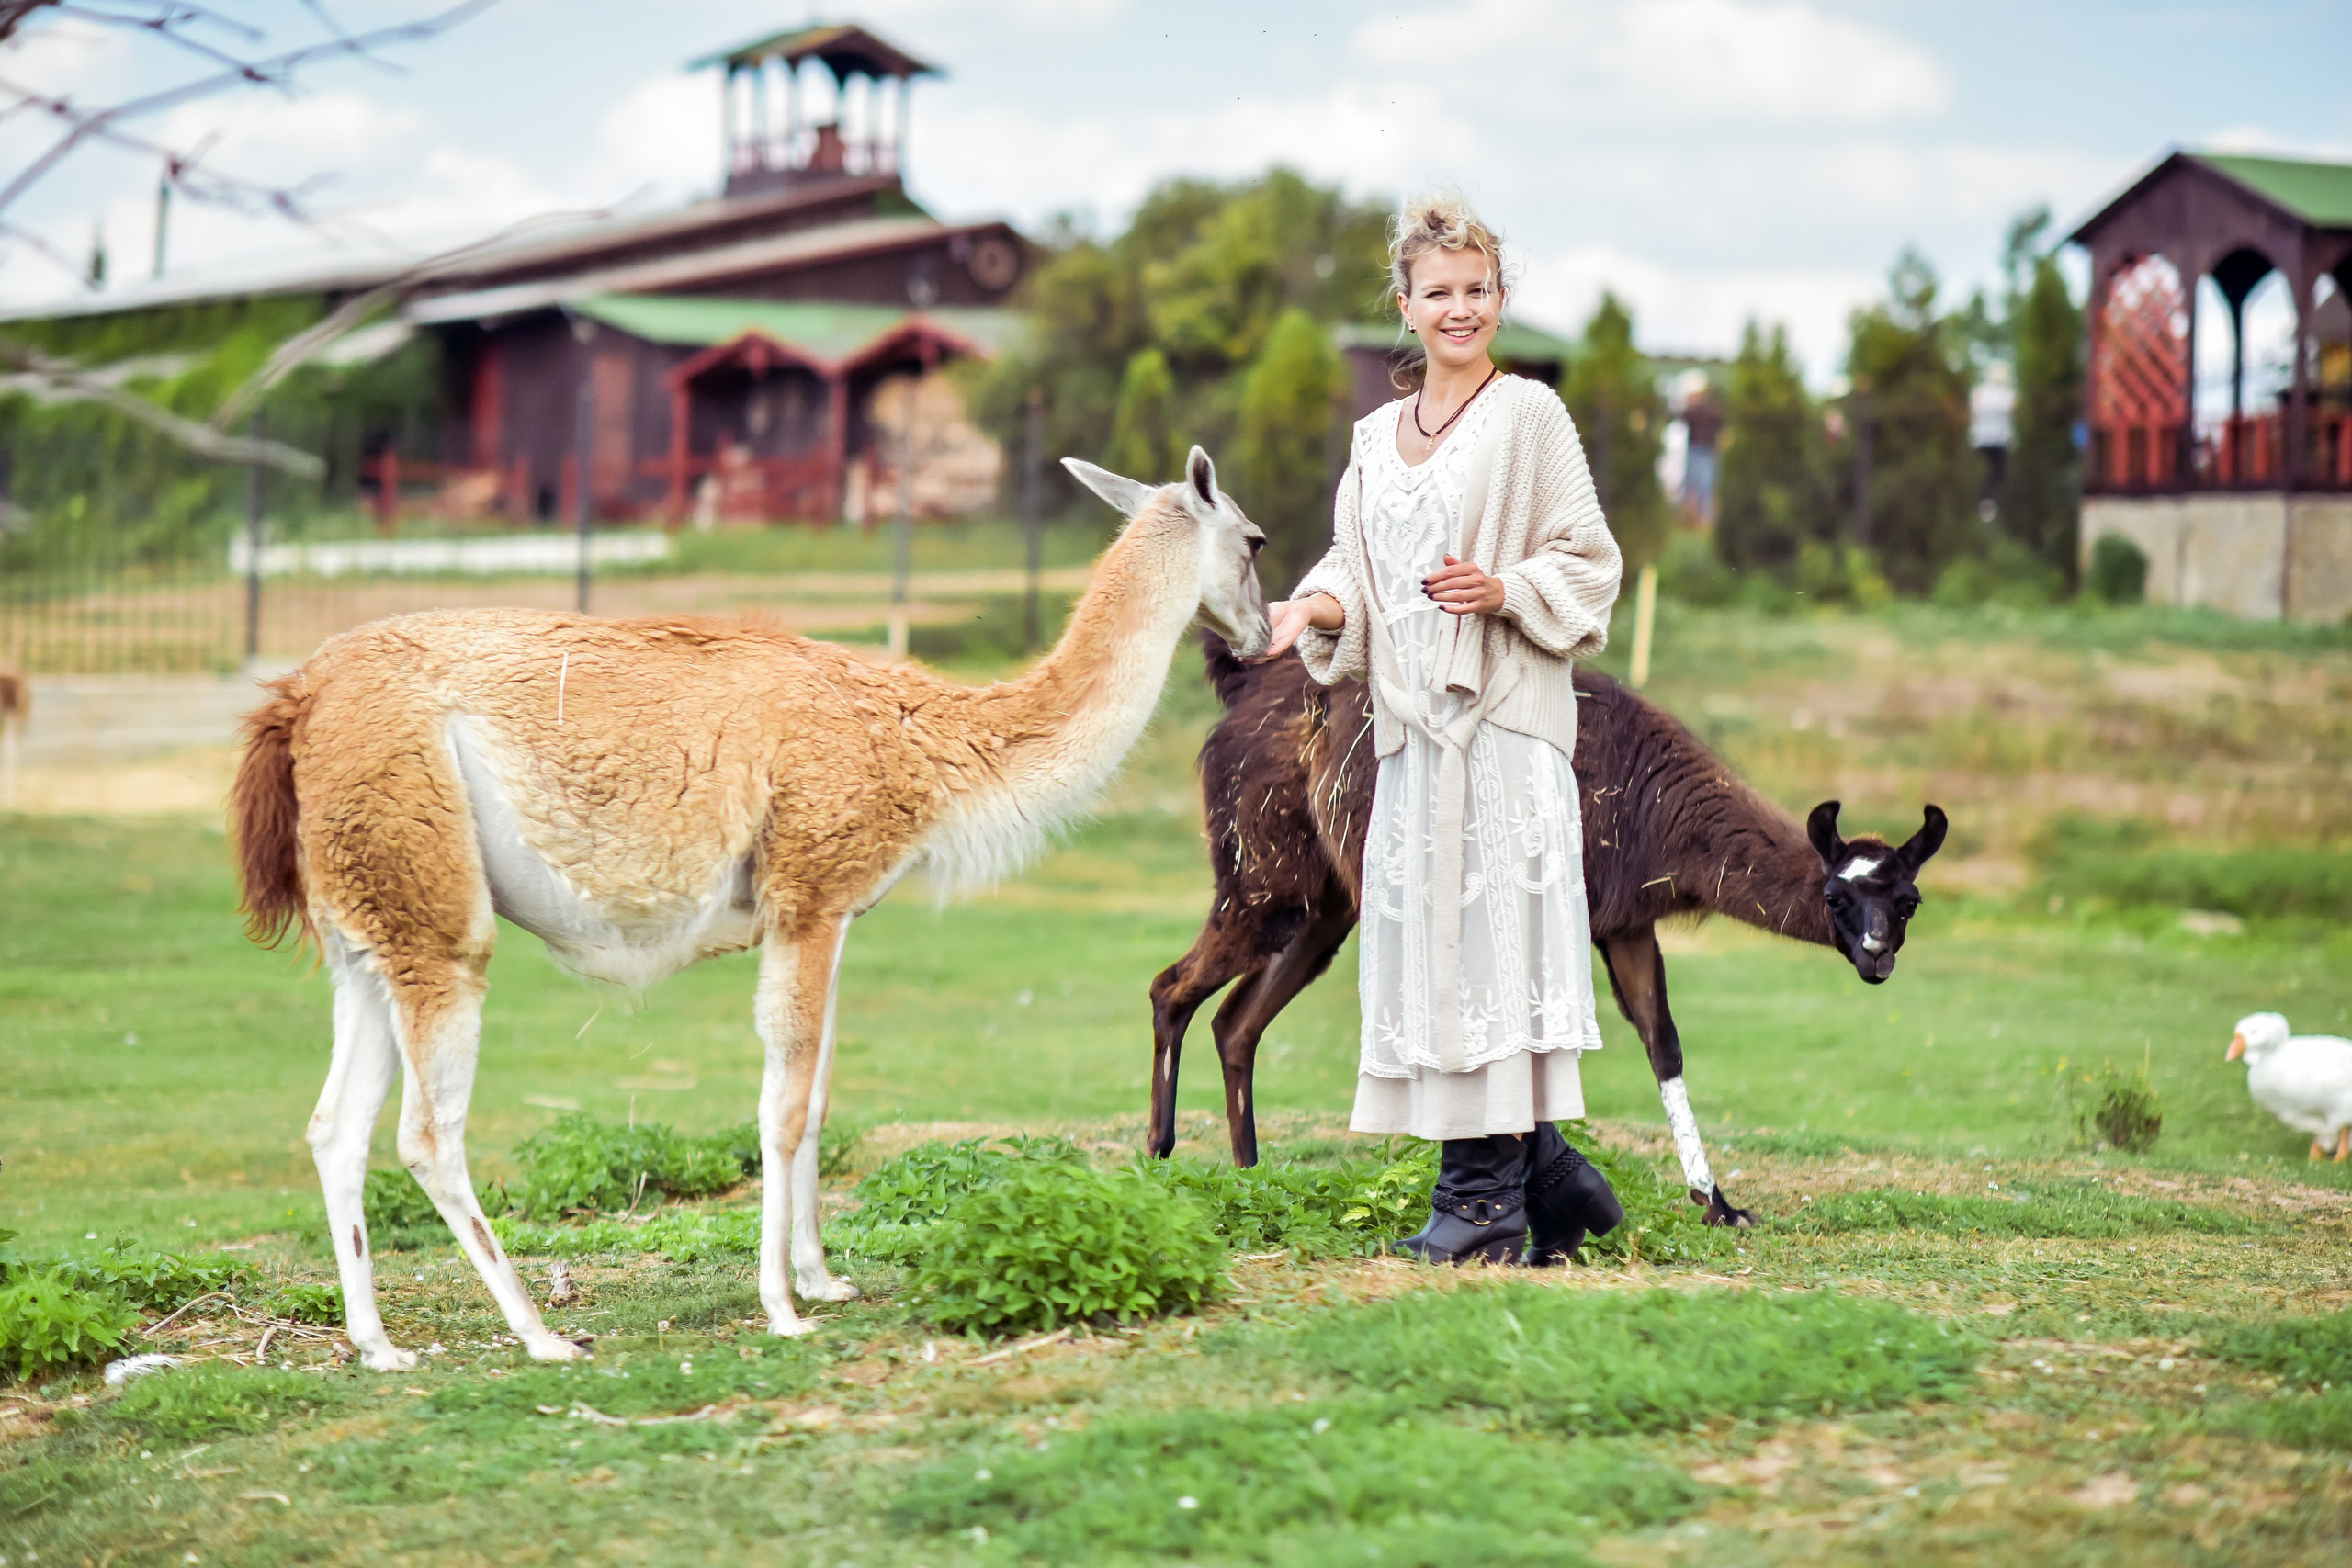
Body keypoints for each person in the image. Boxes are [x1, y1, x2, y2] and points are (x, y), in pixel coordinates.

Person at [1262, 194, 1624, 1265]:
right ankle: (1550, 1179)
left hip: (1504, 726)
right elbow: (1352, 568)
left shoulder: (1529, 419)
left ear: (1500, 301)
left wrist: (1505, 585)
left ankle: (1481, 1208)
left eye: (1478, 290)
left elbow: (1589, 559)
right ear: (1406, 308)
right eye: (1439, 293)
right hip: (1412, 736)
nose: (1459, 308)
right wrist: (1309, 609)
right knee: (1440, 949)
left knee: (1491, 952)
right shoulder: (1374, 439)